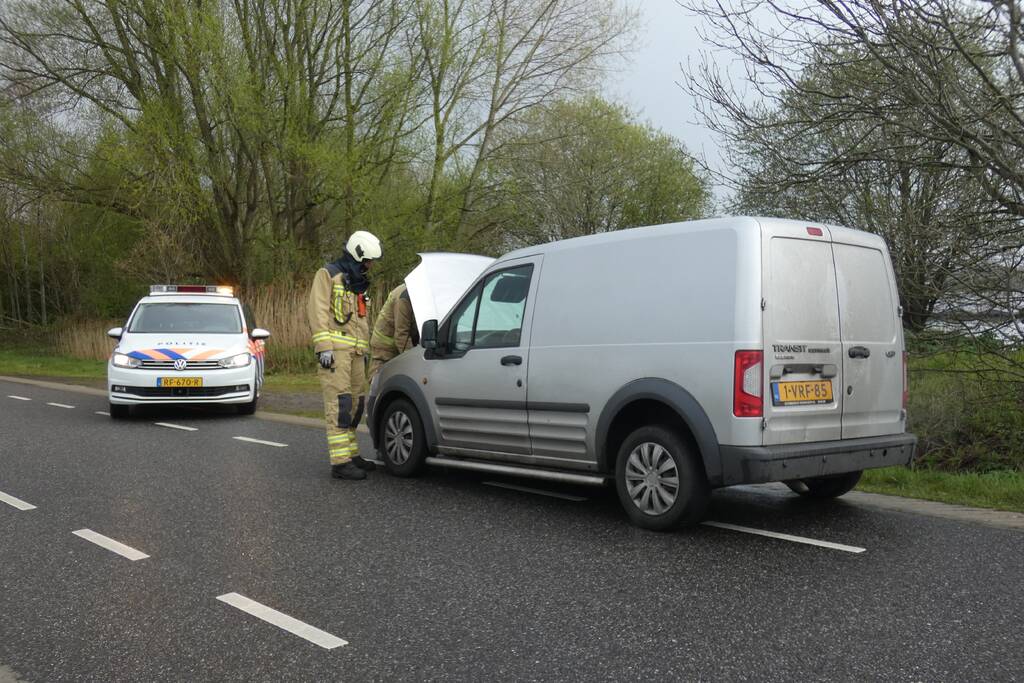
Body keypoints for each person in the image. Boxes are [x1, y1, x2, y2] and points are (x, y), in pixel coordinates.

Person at [307, 230, 381, 480]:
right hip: (336, 353)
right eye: (368, 260)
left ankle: (351, 454)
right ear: (358, 255)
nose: (370, 265)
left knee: (357, 405)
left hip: (357, 353)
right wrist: (323, 347)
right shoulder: (328, 274)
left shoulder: (358, 282)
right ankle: (340, 462)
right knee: (340, 405)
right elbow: (317, 312)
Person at [368, 282, 419, 382]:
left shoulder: (414, 291)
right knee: (378, 383)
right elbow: (401, 334)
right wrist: (413, 361)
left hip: (395, 344)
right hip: (384, 347)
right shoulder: (404, 297)